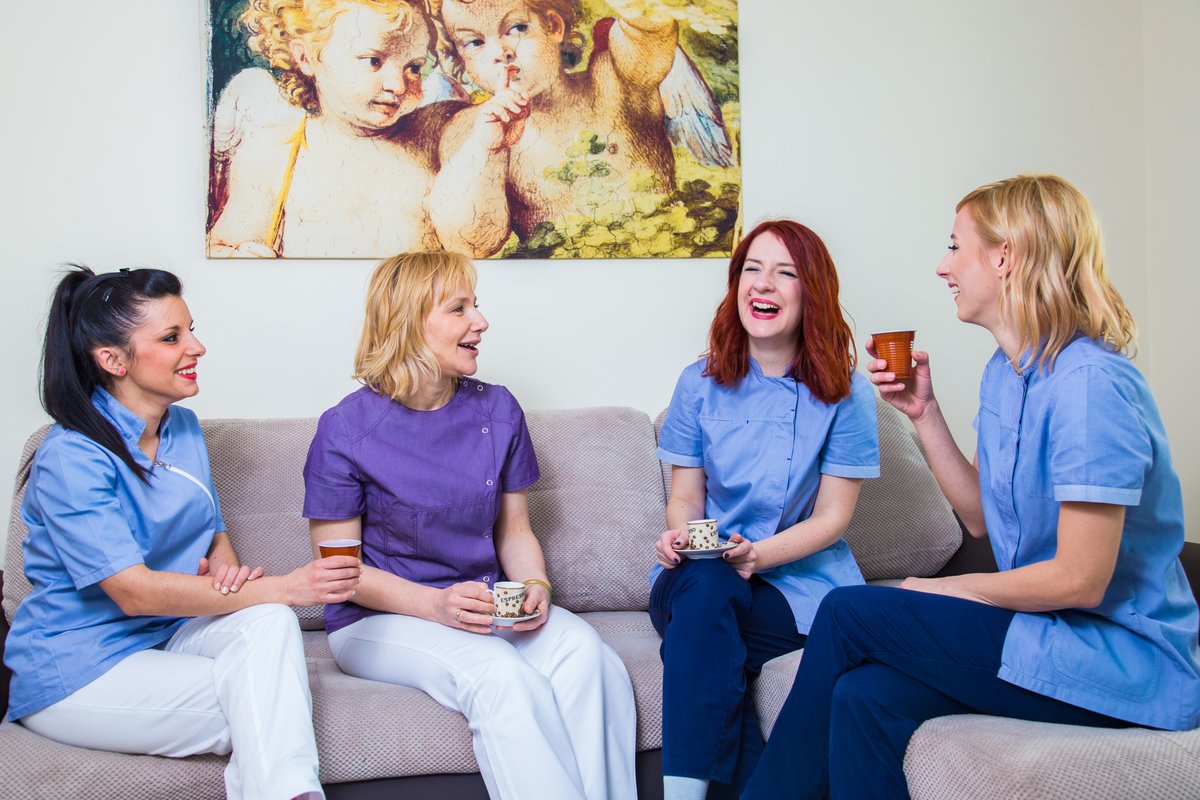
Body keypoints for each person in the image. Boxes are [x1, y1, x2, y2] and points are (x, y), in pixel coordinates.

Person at [743, 174, 1200, 799]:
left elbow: (1080, 579)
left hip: (1123, 661)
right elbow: (984, 518)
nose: (943, 266)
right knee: (863, 696)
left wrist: (946, 589)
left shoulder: (1090, 386)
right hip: (1045, 632)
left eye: (956, 246)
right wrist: (924, 414)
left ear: (1004, 257)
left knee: (849, 610)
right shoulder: (1006, 374)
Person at [4, 266, 361, 800]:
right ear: (114, 360)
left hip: (169, 636)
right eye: (172, 337)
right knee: (269, 708)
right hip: (81, 665)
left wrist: (231, 576)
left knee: (267, 621)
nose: (197, 347)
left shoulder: (183, 429)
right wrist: (287, 586)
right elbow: (133, 592)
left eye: (191, 329)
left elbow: (213, 534)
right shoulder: (70, 456)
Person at [302, 251, 637, 800]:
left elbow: (515, 532)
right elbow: (341, 572)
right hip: (376, 620)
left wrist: (535, 584)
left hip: (482, 606)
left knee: (588, 656)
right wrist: (435, 605)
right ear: (409, 321)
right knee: (499, 674)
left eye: (474, 305)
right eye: (458, 309)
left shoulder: (499, 410)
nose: (480, 321)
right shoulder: (344, 429)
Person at [650, 220, 880, 800]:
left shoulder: (847, 393)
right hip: (698, 576)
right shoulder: (698, 382)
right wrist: (686, 539)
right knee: (707, 588)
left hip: (794, 585)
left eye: (785, 273)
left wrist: (756, 557)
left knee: (706, 641)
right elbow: (685, 498)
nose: (763, 284)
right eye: (751, 269)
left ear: (812, 292)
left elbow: (832, 518)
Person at [428, 0, 730, 256]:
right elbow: (473, 243)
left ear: (553, 26)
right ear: (461, 59)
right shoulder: (471, 130)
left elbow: (650, 29)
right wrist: (486, 149)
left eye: (517, 28)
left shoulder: (613, 79)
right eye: (475, 42)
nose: (501, 51)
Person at [207, 0, 445, 258]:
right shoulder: (275, 153)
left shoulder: (433, 143)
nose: (398, 85)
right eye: (373, 61)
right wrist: (237, 257)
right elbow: (220, 247)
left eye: (414, 68)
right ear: (306, 57)